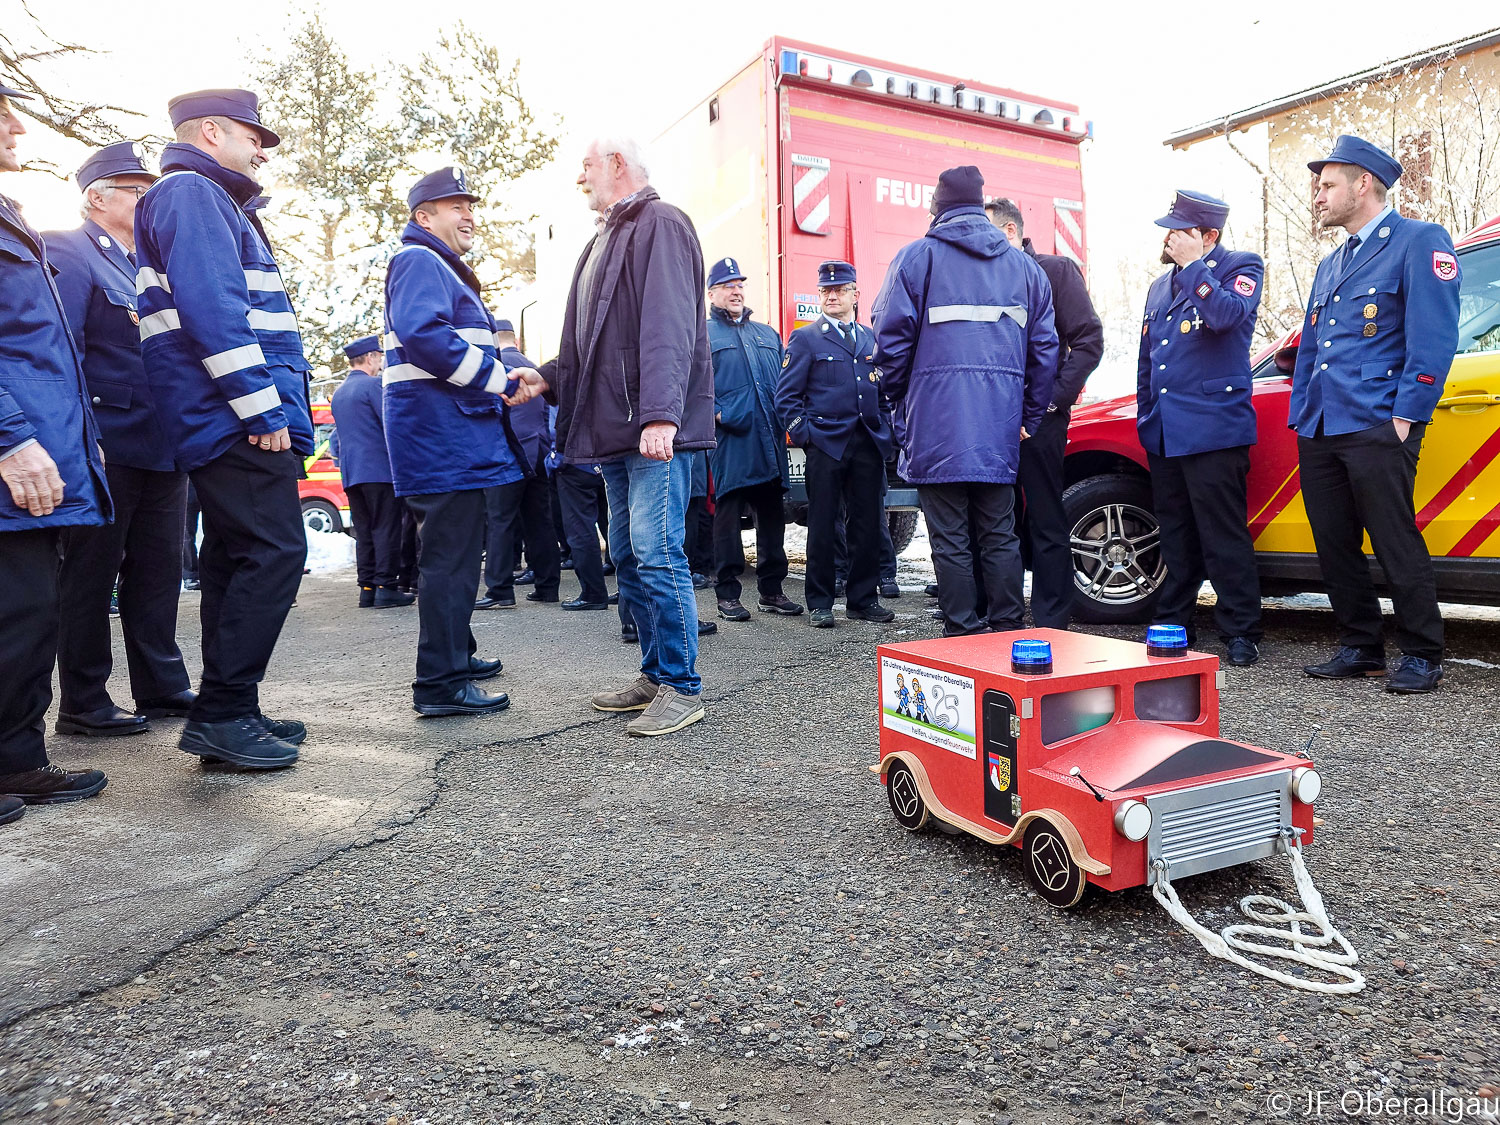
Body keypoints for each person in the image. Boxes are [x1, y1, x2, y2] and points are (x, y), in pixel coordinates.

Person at [510, 137, 714, 738]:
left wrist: (660, 416)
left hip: (649, 426)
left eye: (587, 164)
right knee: (626, 552)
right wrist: (544, 379)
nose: (580, 177)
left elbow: (670, 326)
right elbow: (590, 339)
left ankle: (682, 687)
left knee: (656, 551)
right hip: (621, 426)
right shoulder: (606, 236)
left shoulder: (663, 224)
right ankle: (654, 675)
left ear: (618, 165)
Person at [135, 88, 312, 769]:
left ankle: (231, 706)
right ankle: (225, 712)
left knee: (236, 558)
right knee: (273, 552)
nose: (261, 147)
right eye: (252, 135)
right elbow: (215, 309)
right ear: (211, 131)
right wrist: (260, 407)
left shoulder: (201, 195)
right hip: (233, 414)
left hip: (221, 412)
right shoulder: (192, 192)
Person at [1291, 136, 1461, 694]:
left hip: (1378, 419)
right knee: (1334, 539)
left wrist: (1406, 416)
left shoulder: (1418, 241)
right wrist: (1301, 413)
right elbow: (1313, 347)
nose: (1318, 195)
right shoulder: (1332, 261)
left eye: (1327, 184)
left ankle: (1421, 651)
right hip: (1322, 423)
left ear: (1363, 183)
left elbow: (1433, 338)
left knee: (1392, 536)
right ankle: (1360, 644)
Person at [45, 143, 196, 737]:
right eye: (134, 189)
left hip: (162, 441)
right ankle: (84, 702)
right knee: (90, 572)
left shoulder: (151, 263)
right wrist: (81, 436)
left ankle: (160, 686)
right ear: (96, 196)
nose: (146, 198)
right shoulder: (70, 250)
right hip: (107, 441)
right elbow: (66, 350)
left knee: (158, 569)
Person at [871, 165, 1058, 636]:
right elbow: (1046, 351)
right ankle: (1009, 629)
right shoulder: (1026, 269)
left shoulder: (916, 259)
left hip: (936, 423)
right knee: (1000, 532)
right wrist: (1029, 417)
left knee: (950, 536)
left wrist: (898, 402)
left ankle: (962, 632)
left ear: (938, 206)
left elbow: (889, 342)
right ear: (980, 205)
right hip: (998, 425)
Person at [0, 84, 111, 821]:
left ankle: (15, 761)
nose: (14, 125)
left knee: (28, 611)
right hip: (15, 448)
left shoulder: (11, 216)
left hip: (39, 452)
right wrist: (9, 437)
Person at [383, 167, 521, 716]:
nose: (468, 214)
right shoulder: (421, 260)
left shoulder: (438, 265)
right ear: (423, 217)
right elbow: (423, 336)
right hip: (444, 436)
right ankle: (441, 683)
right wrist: (498, 379)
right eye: (454, 206)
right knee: (450, 561)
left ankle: (456, 655)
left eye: (470, 205)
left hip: (450, 433)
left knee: (454, 556)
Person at [1136, 190, 1264, 666]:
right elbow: (1149, 362)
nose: (1169, 238)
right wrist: (1146, 416)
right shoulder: (1158, 286)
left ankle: (1241, 630)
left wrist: (1195, 269)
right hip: (1167, 431)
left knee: (1222, 533)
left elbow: (1226, 317)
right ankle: (1175, 622)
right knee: (1176, 534)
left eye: (1179, 231)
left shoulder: (1241, 267)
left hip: (1214, 429)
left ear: (1208, 235)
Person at [985, 198, 1104, 630]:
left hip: (1041, 419)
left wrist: (1051, 402)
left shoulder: (1055, 271)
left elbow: (1089, 340)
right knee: (996, 519)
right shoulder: (987, 278)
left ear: (1011, 232)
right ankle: (1000, 612)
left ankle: (1053, 617)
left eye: (987, 233)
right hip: (993, 420)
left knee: (1045, 517)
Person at [778, 259, 894, 628]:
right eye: (826, 291)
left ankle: (863, 599)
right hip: (826, 444)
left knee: (868, 525)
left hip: (867, 444)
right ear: (820, 295)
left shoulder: (870, 339)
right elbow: (786, 397)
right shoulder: (806, 338)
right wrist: (805, 435)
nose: (832, 296)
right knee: (824, 526)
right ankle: (821, 602)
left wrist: (887, 430)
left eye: (840, 290)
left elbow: (885, 391)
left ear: (855, 295)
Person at [704, 255, 802, 623]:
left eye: (739, 285)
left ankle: (771, 591)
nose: (736, 291)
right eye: (728, 286)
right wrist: (718, 414)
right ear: (711, 293)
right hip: (731, 442)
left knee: (773, 520)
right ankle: (728, 594)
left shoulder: (766, 334)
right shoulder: (702, 334)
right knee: (727, 523)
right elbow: (693, 386)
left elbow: (786, 384)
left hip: (769, 440)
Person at [476, 319, 560, 610]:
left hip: (508, 453)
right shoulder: (532, 365)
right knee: (539, 518)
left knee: (501, 520)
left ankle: (499, 589)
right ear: (516, 340)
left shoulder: (492, 365)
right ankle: (548, 586)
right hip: (538, 450)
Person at [330, 334, 412, 609]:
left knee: (363, 531)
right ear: (370, 358)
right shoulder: (373, 386)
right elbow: (391, 425)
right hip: (379, 471)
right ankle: (386, 586)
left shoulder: (340, 393)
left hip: (352, 474)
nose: (380, 362)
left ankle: (367, 588)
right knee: (387, 529)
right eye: (378, 357)